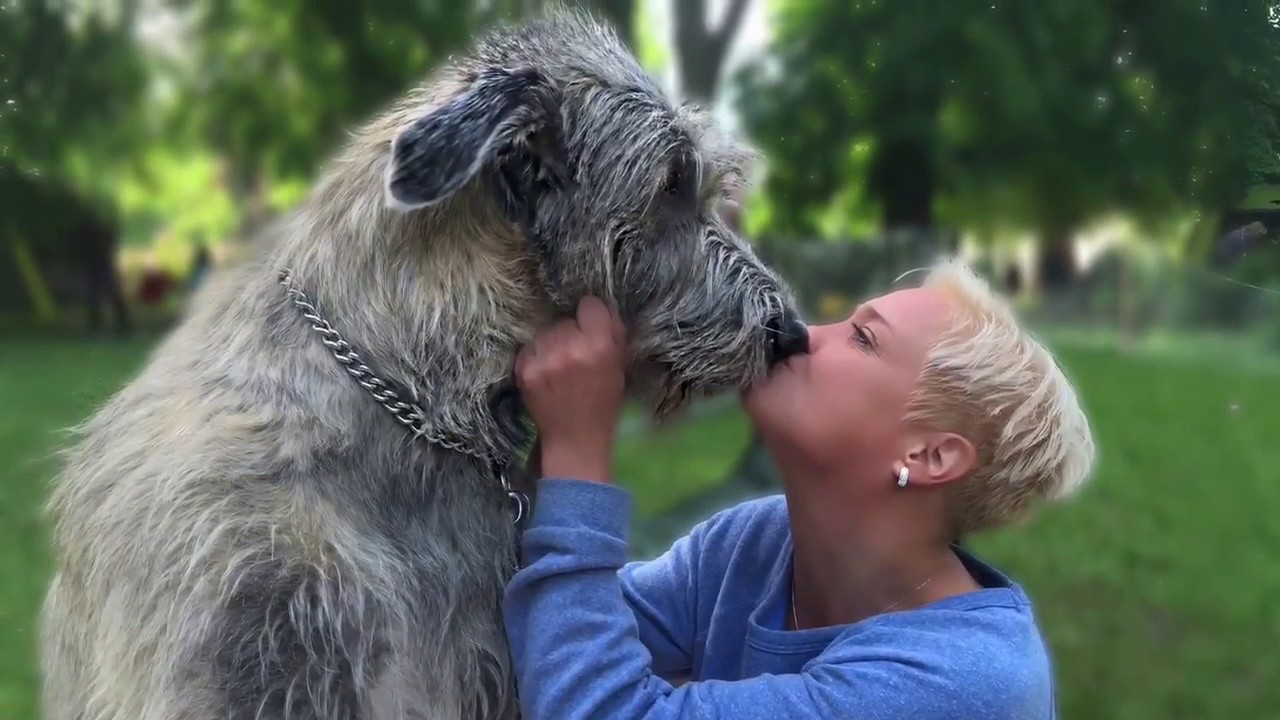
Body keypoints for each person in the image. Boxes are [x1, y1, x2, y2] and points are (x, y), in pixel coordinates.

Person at [506, 257, 1097, 720]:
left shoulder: (962, 681)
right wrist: (548, 454)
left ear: (928, 455)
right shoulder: (758, 543)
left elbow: (595, 708)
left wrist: (578, 454)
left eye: (864, 339)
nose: (805, 331)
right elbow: (547, 638)